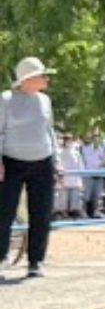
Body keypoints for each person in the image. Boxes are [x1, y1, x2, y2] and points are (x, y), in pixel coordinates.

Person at [0, 57, 60, 277]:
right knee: (4, 212)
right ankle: (1, 257)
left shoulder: (45, 101)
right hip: (11, 161)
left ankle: (36, 261)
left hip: (42, 161)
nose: (46, 79)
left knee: (41, 213)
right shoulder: (6, 100)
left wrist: (57, 161)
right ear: (27, 79)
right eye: (42, 75)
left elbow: (50, 131)